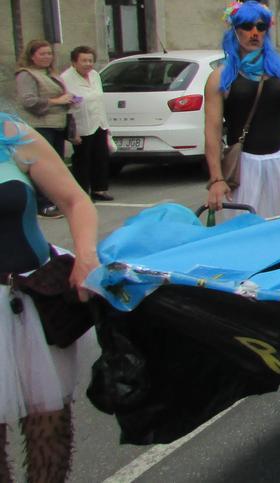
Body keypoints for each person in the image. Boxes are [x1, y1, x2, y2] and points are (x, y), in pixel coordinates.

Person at [0, 113, 100, 483]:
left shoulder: (10, 135)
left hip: (29, 297)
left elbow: (75, 201)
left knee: (49, 427)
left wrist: (86, 255)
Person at [203, 1, 280, 220]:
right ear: (236, 30)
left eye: (260, 26)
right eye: (247, 26)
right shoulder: (221, 78)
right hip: (244, 169)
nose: (254, 32)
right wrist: (217, 179)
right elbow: (212, 131)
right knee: (247, 237)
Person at [14, 40, 74, 218]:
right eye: (42, 54)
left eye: (49, 53)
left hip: (56, 124)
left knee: (55, 166)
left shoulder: (50, 74)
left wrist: (70, 99)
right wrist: (57, 101)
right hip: (39, 126)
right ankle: (42, 204)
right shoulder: (26, 75)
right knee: (42, 168)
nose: (47, 57)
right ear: (32, 56)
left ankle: (53, 201)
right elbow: (28, 101)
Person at [60, 46, 114, 202]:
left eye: (90, 60)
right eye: (84, 60)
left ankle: (99, 189)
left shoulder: (95, 75)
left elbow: (99, 99)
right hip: (81, 124)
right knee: (83, 159)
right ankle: (82, 192)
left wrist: (106, 126)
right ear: (74, 62)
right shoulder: (66, 78)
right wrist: (72, 131)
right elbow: (67, 105)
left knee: (100, 157)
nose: (88, 64)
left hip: (98, 122)